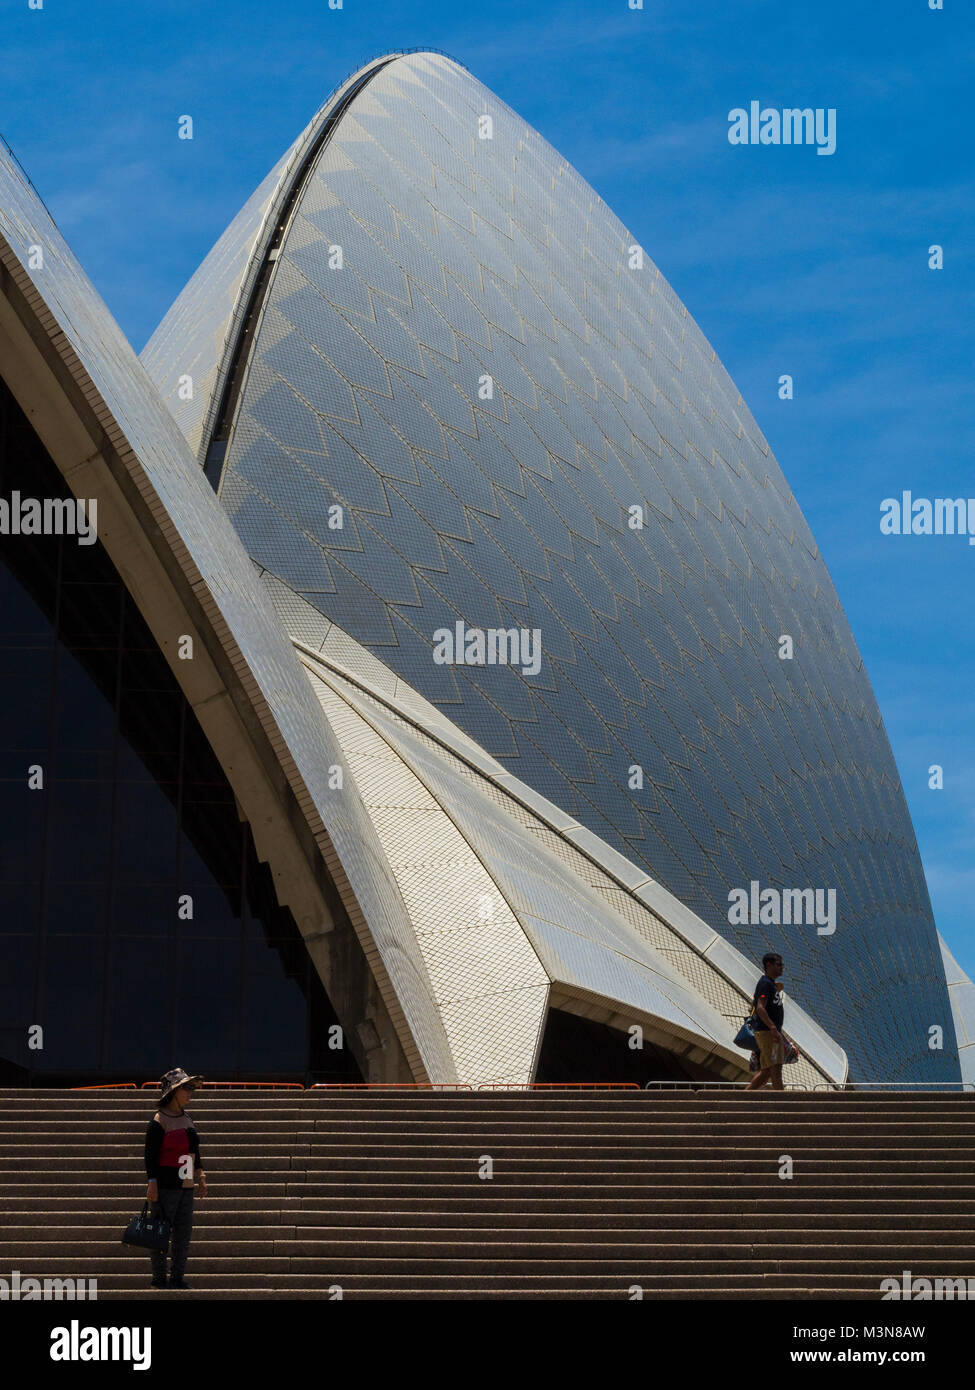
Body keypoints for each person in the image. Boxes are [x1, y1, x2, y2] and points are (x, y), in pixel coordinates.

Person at [144, 1067, 207, 1289]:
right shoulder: (159, 1121)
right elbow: (150, 1155)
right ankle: (159, 1279)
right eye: (187, 1088)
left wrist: (201, 1175)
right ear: (174, 1091)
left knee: (183, 1234)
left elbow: (194, 1150)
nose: (191, 1092)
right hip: (165, 1186)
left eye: (191, 1088)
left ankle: (177, 1278)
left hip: (186, 1185)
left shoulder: (187, 1119)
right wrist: (152, 1182)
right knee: (160, 1234)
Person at [746, 953, 792, 1091]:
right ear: (768, 965)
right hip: (768, 1034)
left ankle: (744, 1096)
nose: (782, 967)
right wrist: (772, 1028)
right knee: (776, 1068)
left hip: (770, 1033)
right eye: (778, 964)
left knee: (766, 1072)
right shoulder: (765, 984)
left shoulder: (771, 984)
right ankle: (782, 1106)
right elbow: (760, 1007)